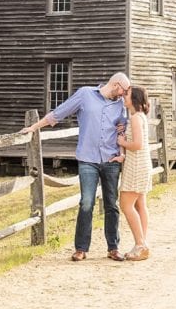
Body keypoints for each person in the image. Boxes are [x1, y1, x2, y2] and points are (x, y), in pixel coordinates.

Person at [19, 72, 130, 262]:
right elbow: (59, 113)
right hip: (88, 159)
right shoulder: (85, 94)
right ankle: (81, 248)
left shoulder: (120, 105)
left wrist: (122, 154)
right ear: (116, 85)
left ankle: (113, 247)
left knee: (112, 204)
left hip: (111, 160)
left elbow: (124, 129)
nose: (124, 94)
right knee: (86, 202)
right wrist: (34, 127)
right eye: (124, 90)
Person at [116, 85, 152, 261]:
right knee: (140, 205)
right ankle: (142, 244)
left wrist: (122, 141)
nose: (124, 96)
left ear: (134, 99)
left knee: (126, 205)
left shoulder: (136, 119)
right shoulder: (140, 117)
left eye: (127, 94)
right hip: (141, 163)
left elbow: (137, 145)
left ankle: (140, 244)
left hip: (136, 165)